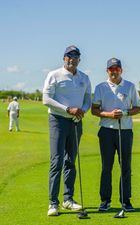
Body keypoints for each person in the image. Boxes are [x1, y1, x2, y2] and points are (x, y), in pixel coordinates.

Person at [42, 45, 92, 216]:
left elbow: (87, 98)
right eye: (69, 56)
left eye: (76, 56)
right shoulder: (54, 75)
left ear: (79, 59)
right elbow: (46, 99)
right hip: (58, 120)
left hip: (76, 122)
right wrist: (67, 109)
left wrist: (83, 110)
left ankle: (68, 200)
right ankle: (53, 202)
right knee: (57, 161)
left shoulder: (84, 77)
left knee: (71, 160)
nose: (72, 59)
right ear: (64, 58)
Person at [91, 58, 140, 212]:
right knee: (107, 166)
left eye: (117, 68)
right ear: (107, 70)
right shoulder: (101, 87)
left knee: (125, 166)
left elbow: (138, 108)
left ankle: (125, 200)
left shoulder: (130, 86)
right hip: (106, 131)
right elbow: (94, 110)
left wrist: (125, 112)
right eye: (111, 69)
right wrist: (109, 114)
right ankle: (105, 200)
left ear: (121, 70)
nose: (114, 71)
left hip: (125, 131)